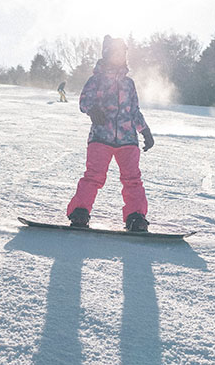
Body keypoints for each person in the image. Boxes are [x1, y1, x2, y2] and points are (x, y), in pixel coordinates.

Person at [66, 35, 155, 232]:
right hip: (101, 137)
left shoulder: (128, 83)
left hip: (128, 139)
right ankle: (80, 212)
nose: (119, 56)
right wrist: (92, 109)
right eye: (116, 52)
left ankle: (136, 216)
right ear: (107, 54)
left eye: (122, 53)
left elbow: (134, 111)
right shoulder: (95, 80)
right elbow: (83, 101)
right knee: (93, 176)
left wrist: (145, 131)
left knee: (132, 179)